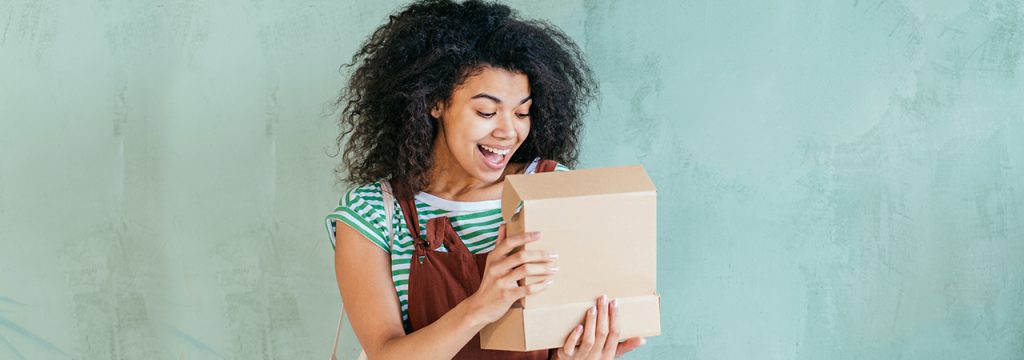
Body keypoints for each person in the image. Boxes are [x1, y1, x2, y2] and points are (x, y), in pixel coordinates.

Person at [325, 1, 645, 358]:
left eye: (522, 112)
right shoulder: (372, 214)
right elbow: (385, 354)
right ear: (434, 103)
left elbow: (560, 339)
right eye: (487, 111)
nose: (509, 131)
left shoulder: (552, 190)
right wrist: (483, 305)